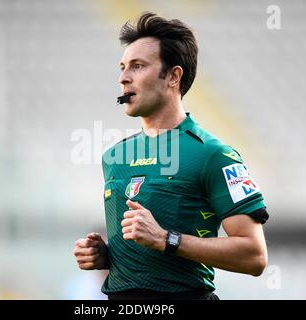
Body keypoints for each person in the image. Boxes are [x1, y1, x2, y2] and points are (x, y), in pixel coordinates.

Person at [73, 12, 269, 300]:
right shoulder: (114, 157)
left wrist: (167, 239)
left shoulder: (214, 154)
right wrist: (107, 256)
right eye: (123, 67)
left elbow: (254, 256)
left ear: (173, 77)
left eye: (137, 66)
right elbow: (144, 254)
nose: (123, 78)